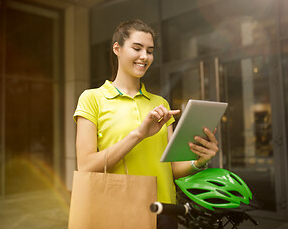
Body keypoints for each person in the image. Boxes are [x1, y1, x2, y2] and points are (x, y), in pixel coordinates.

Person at [73, 20, 219, 229]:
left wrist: (201, 160)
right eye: (137, 48)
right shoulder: (92, 98)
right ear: (117, 49)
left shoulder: (160, 104)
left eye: (150, 51)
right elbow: (86, 167)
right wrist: (139, 134)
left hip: (165, 212)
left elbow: (173, 168)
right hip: (119, 212)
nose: (145, 56)